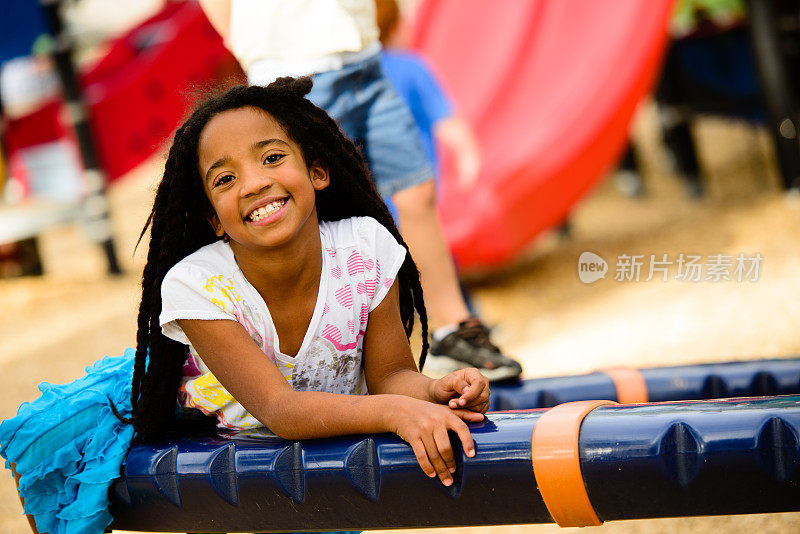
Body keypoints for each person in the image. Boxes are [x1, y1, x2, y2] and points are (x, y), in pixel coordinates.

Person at [0, 78, 490, 534]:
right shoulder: (198, 285)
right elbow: (281, 410)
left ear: (317, 172)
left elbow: (390, 378)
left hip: (313, 433)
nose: (254, 183)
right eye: (225, 179)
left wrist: (430, 391)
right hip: (206, 418)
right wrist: (396, 414)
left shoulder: (366, 248)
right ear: (214, 219)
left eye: (272, 158)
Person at [198, 0, 523, 382]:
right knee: (320, 208)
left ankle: (453, 330)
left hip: (366, 62)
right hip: (294, 69)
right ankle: (329, 351)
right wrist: (240, 37)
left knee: (415, 190)